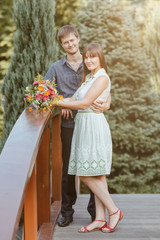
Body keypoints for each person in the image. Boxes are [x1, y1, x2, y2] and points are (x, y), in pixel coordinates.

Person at [52, 42, 123, 233]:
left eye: (93, 57)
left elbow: (83, 104)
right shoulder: (89, 77)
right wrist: (47, 99)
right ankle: (100, 219)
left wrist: (55, 102)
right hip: (84, 127)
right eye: (86, 57)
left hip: (93, 127)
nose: (89, 60)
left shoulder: (102, 78)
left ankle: (114, 211)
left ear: (100, 58)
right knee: (97, 173)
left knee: (84, 173)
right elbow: (73, 99)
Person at [45, 25, 111, 227]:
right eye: (66, 42)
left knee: (92, 166)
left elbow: (105, 90)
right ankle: (67, 211)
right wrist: (61, 103)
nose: (70, 44)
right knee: (69, 169)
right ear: (62, 45)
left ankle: (95, 213)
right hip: (68, 124)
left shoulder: (91, 61)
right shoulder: (56, 67)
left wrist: (107, 104)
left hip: (90, 122)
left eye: (72, 40)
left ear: (78, 39)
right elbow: (45, 92)